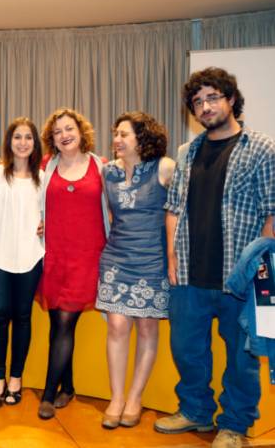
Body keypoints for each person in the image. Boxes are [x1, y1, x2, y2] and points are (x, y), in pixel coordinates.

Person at [155, 67, 274, 448]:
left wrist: (259, 267)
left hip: (241, 275)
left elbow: (272, 212)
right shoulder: (187, 152)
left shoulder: (262, 148)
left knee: (241, 357)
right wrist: (172, 257)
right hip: (189, 273)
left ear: (231, 100)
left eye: (212, 98)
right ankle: (195, 410)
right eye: (197, 102)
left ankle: (235, 425)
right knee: (186, 349)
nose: (205, 107)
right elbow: (173, 208)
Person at [95, 112, 175, 429]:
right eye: (116, 133)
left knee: (146, 328)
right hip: (116, 258)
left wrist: (175, 256)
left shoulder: (164, 167)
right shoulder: (108, 172)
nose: (117, 139)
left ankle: (135, 397)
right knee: (116, 326)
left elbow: (181, 210)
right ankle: (116, 398)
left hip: (153, 260)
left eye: (124, 134)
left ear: (142, 138)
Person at [37, 108, 109, 420]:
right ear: (51, 139)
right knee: (58, 324)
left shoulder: (101, 166)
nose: (64, 135)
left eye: (69, 129)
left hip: (87, 258)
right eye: (57, 132)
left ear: (81, 132)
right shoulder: (45, 166)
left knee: (65, 322)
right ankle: (68, 387)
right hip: (54, 256)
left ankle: (48, 394)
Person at [0, 117, 45, 409]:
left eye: (28, 137)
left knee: (22, 317)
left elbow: (51, 215)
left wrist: (46, 225)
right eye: (17, 136)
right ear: (9, 141)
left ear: (35, 143)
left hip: (31, 256)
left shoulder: (43, 178)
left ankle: (16, 378)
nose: (22, 142)